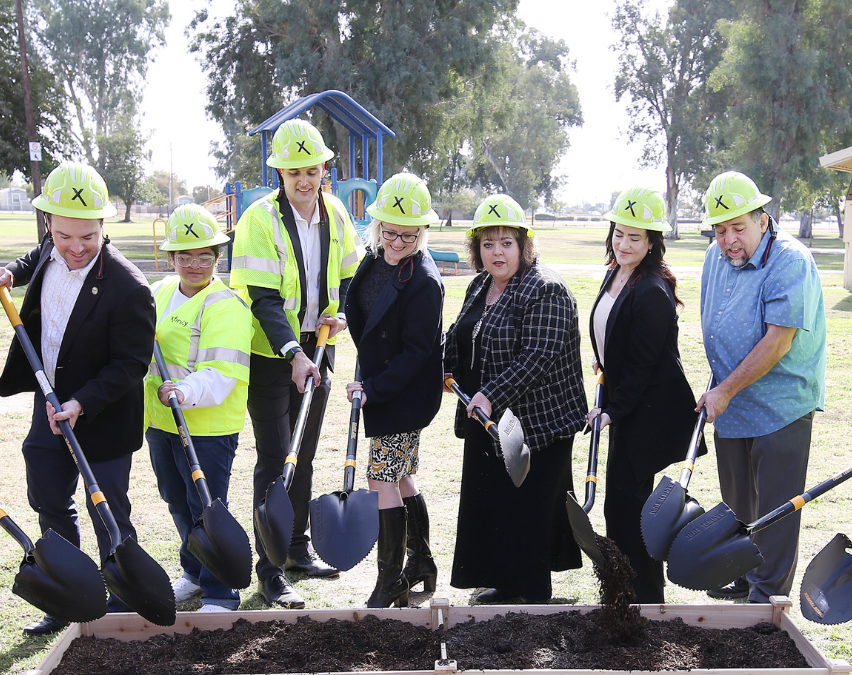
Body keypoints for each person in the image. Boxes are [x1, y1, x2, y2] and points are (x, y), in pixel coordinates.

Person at [0, 161, 154, 635]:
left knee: (106, 508)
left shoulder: (128, 287)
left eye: (88, 237)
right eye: (64, 236)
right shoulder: (50, 249)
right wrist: (11, 272)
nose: (75, 247)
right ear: (49, 225)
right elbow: (35, 258)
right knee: (47, 496)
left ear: (103, 226)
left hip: (100, 413)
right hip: (49, 404)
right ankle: (70, 593)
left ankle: (122, 601)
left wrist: (83, 402)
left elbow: (130, 364)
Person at [230, 119, 359, 609]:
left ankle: (297, 549)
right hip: (271, 355)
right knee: (275, 458)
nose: (303, 180)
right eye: (292, 172)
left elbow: (349, 274)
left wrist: (342, 310)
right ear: (278, 175)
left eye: (311, 169)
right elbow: (262, 300)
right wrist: (294, 355)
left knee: (303, 454)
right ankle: (269, 569)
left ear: (324, 168)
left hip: (320, 346)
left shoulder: (336, 213)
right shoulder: (258, 221)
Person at [443, 193, 588, 604]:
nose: (497, 252)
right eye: (487, 244)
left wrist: (490, 394)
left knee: (529, 509)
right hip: (487, 422)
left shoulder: (547, 289)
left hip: (537, 425)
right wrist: (445, 367)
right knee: (495, 504)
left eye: (506, 242)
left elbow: (538, 355)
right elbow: (461, 334)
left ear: (524, 245)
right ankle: (503, 584)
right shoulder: (479, 285)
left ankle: (530, 593)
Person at [695, 171, 827, 603]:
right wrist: (722, 389)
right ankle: (743, 573)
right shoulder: (716, 258)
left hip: (781, 404)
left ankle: (767, 596)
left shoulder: (790, 260)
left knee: (775, 508)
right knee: (737, 502)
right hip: (731, 402)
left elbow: (778, 341)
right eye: (720, 229)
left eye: (738, 227)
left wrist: (725, 390)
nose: (729, 239)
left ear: (763, 219)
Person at [586, 186, 701, 604]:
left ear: (652, 242)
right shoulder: (616, 271)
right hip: (626, 402)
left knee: (631, 509)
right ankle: (623, 591)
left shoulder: (651, 290)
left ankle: (644, 598)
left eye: (635, 237)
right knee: (621, 505)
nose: (623, 243)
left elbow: (644, 364)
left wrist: (613, 410)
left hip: (648, 411)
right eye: (619, 233)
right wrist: (603, 362)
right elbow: (614, 334)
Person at [340, 173, 445, 608]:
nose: (397, 241)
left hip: (401, 393)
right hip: (383, 384)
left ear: (421, 232)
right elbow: (371, 310)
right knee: (400, 476)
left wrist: (372, 389)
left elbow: (416, 353)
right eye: (390, 231)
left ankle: (390, 581)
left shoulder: (423, 280)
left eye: (408, 234)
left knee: (380, 477)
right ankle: (420, 561)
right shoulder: (374, 257)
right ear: (377, 225)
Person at [144, 204, 253, 612]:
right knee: (176, 500)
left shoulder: (226, 305)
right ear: (171, 258)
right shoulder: (159, 294)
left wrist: (184, 392)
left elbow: (222, 371)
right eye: (185, 256)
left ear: (217, 258)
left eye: (204, 256)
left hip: (206, 425)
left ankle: (221, 590)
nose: (195, 264)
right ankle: (193, 572)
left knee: (206, 506)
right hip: (162, 422)